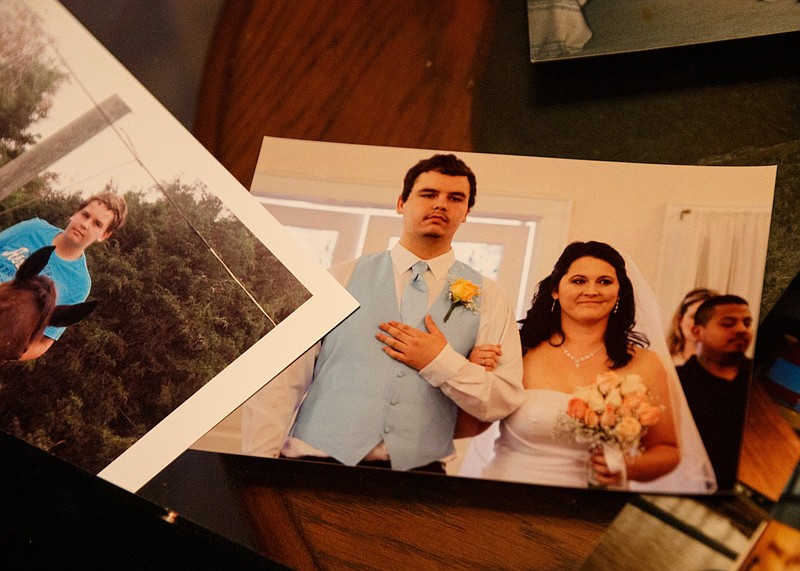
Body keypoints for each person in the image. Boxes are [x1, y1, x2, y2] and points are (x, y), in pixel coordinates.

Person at [241, 154, 524, 472]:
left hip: (420, 475)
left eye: (455, 198)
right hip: (316, 463)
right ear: (402, 202)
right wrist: (258, 465)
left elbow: (503, 399)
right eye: (428, 194)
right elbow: (281, 381)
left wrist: (442, 362)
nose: (441, 205)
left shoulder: (489, 298)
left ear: (467, 212)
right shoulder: (338, 279)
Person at [467, 241, 716, 491]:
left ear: (619, 293)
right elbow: (474, 425)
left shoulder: (645, 363)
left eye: (605, 282)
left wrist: (626, 466)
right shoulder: (520, 351)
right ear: (555, 289)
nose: (592, 290)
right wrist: (474, 374)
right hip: (509, 494)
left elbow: (667, 450)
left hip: (595, 504)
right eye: (578, 281)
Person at [0, 188, 128, 360]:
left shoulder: (79, 284)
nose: (85, 224)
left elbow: (43, 342)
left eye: (97, 224)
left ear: (104, 235)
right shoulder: (33, 229)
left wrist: (7, 350)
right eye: (85, 215)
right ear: (75, 213)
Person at [677, 294, 753, 491]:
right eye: (728, 323)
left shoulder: (757, 376)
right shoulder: (677, 381)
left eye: (747, 323)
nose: (741, 330)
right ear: (697, 331)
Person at [667, 288, 720, 366]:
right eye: (694, 316)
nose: (700, 323)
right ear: (680, 320)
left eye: (708, 318)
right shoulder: (662, 361)